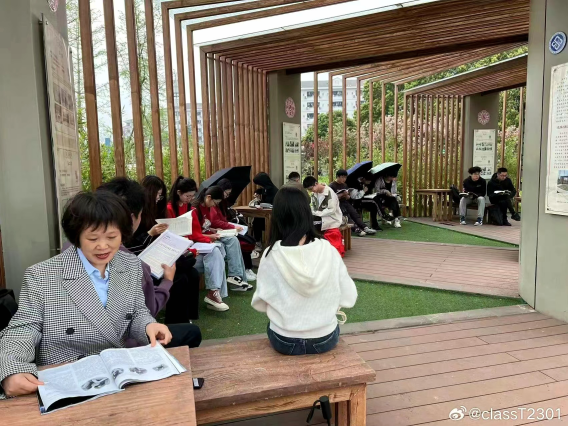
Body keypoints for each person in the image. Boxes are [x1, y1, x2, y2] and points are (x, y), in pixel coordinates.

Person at [0, 192, 171, 399]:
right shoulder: (42, 275)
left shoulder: (130, 265)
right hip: (65, 379)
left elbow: (137, 312)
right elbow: (24, 328)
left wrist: (148, 326)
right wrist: (11, 368)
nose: (103, 246)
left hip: (118, 373)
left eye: (112, 237)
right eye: (92, 238)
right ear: (77, 237)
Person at [251, 187, 357, 356]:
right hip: (325, 338)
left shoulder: (271, 254)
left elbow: (261, 301)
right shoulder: (327, 249)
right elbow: (348, 295)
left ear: (277, 216)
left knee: (273, 326)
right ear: (307, 212)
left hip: (284, 340)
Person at [98, 178, 202, 332]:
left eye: (161, 195)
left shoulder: (157, 209)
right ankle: (176, 323)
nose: (158, 198)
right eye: (157, 195)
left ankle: (186, 317)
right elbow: (131, 248)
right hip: (146, 258)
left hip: (153, 254)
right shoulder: (119, 247)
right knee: (181, 275)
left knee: (190, 270)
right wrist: (150, 234)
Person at [167, 177, 234, 312]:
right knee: (216, 255)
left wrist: (209, 241)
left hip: (191, 250)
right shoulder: (169, 209)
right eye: (187, 196)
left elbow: (196, 233)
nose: (190, 199)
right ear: (178, 193)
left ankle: (214, 292)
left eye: (192, 196)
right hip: (178, 254)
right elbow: (172, 237)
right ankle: (215, 294)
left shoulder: (190, 208)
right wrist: (206, 240)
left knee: (216, 251)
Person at [214, 179, 258, 281]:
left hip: (225, 229)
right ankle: (242, 271)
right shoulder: (214, 204)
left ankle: (246, 268)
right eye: (227, 193)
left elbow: (222, 219)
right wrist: (231, 226)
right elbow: (215, 221)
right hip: (220, 231)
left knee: (248, 238)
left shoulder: (223, 203)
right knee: (242, 241)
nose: (227, 196)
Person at [303, 176, 345, 257]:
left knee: (310, 225)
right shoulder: (314, 194)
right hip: (320, 218)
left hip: (332, 219)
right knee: (306, 221)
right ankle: (312, 248)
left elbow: (332, 210)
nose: (311, 191)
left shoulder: (329, 192)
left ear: (316, 183)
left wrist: (317, 213)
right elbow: (313, 207)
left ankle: (314, 248)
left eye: (311, 189)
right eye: (309, 190)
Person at [329, 169, 376, 236]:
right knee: (346, 215)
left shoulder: (344, 185)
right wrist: (342, 194)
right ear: (337, 177)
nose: (344, 179)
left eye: (345, 177)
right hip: (337, 204)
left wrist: (347, 196)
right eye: (342, 177)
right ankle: (356, 229)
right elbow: (331, 198)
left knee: (354, 213)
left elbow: (348, 197)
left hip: (345, 202)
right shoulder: (332, 186)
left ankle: (365, 227)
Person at [252, 172, 278, 250]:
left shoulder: (274, 191)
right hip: (264, 215)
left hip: (272, 217)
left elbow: (273, 206)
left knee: (257, 222)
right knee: (256, 221)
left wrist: (263, 205)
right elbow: (259, 190)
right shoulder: (265, 189)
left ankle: (265, 243)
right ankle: (258, 242)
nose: (259, 186)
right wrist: (256, 193)